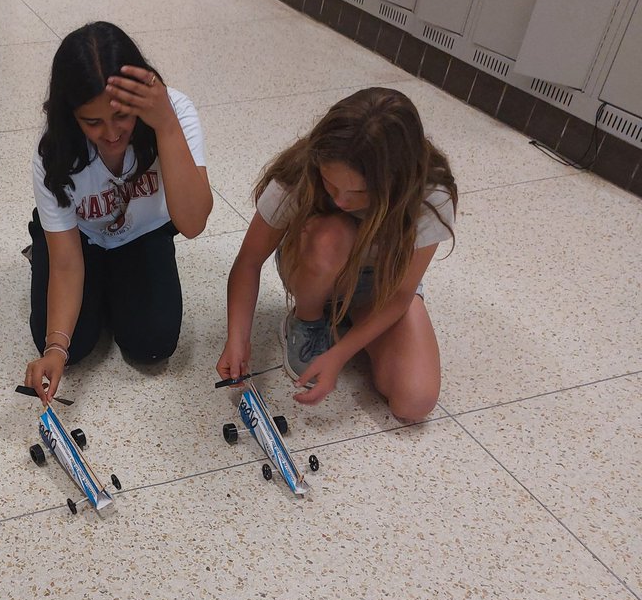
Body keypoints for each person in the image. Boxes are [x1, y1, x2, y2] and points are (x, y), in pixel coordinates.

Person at [217, 87, 457, 422]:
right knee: (332, 235)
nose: (342, 201)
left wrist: (341, 354)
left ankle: (349, 318)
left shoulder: (431, 194)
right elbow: (249, 261)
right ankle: (309, 319)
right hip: (315, 267)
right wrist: (237, 339)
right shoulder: (299, 173)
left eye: (359, 192)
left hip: (383, 287)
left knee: (414, 402)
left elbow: (401, 294)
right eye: (331, 185)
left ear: (398, 181)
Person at [24, 21, 213, 402]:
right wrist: (56, 350)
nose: (111, 135)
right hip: (80, 241)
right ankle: (44, 248)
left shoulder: (174, 113)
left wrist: (166, 127)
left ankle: (112, 285)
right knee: (72, 348)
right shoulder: (54, 152)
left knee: (153, 345)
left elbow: (192, 223)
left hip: (144, 233)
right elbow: (66, 264)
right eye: (93, 123)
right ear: (71, 116)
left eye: (122, 117)